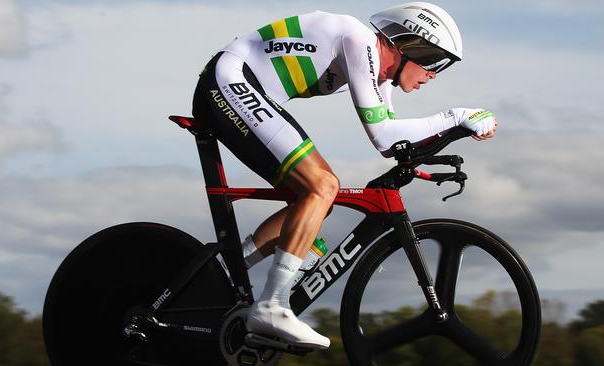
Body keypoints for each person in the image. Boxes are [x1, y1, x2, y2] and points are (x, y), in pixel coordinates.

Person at [191, 2, 497, 349]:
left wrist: (427, 155)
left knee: (320, 198)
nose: (434, 74)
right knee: (322, 186)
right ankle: (272, 305)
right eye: (432, 60)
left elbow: (391, 142)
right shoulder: (359, 40)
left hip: (245, 89)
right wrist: (457, 116)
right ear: (408, 44)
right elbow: (383, 133)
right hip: (230, 81)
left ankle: (220, 274)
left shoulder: (379, 74)